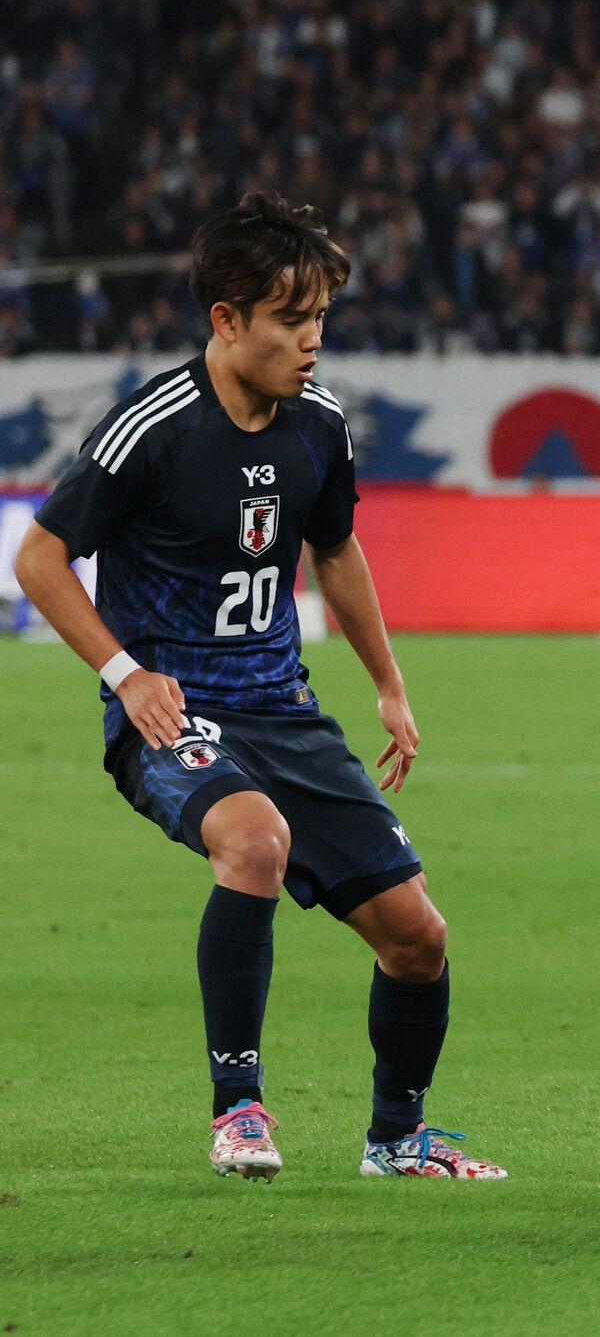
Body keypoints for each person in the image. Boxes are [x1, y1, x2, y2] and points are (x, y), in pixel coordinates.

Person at [13, 193, 505, 1182]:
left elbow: (337, 552)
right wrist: (126, 673)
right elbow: (39, 559)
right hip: (172, 709)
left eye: (320, 317)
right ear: (227, 320)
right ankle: (237, 1107)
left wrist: (389, 685)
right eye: (291, 318)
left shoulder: (318, 426)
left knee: (418, 937)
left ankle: (398, 1137)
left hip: (283, 709)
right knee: (254, 839)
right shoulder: (149, 429)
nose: (312, 341)